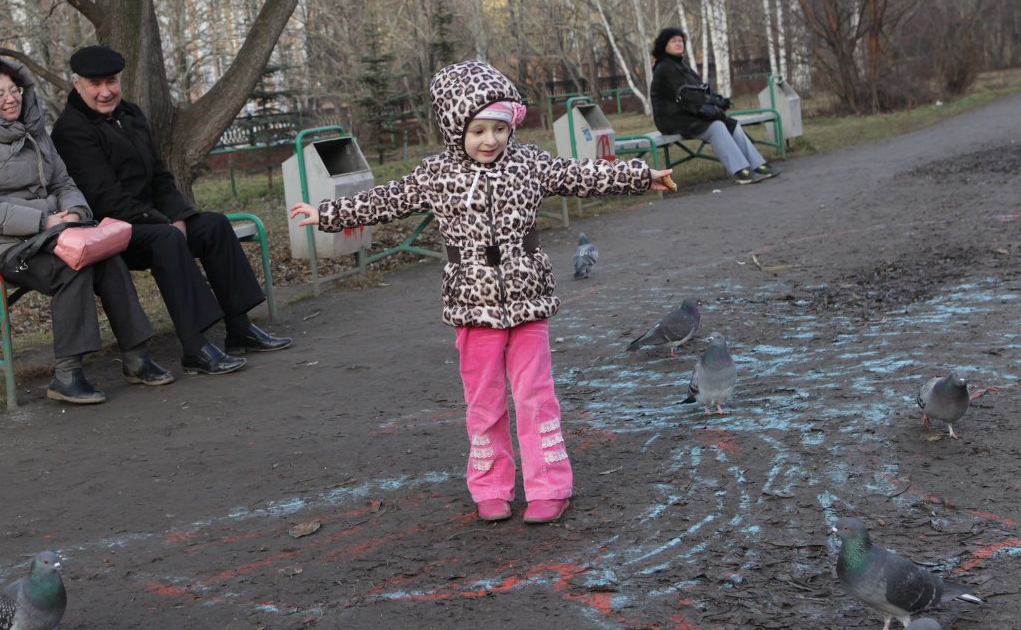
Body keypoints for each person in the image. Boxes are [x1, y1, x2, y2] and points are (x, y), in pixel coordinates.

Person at [290, 60, 673, 524]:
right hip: (473, 306)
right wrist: (327, 214)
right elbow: (386, 199)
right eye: (477, 130)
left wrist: (640, 176)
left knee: (535, 396)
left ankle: (549, 485)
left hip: (528, 298)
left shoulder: (529, 163)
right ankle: (491, 486)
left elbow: (584, 175)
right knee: (485, 401)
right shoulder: (437, 174)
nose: (489, 140)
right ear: (456, 131)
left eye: (498, 128)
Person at [51, 45, 292, 377]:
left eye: (112, 81)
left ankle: (240, 329)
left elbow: (160, 176)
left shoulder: (131, 114)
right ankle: (195, 347)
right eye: (96, 84)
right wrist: (165, 223)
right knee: (168, 240)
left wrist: (177, 215)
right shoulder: (71, 129)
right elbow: (105, 198)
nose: (106, 91)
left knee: (214, 226)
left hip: (155, 221)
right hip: (113, 229)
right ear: (77, 84)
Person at [0, 57, 173, 405]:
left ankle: (137, 356)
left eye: (15, 90)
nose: (10, 99)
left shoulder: (36, 132)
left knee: (106, 257)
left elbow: (64, 181)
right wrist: (45, 219)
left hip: (50, 235)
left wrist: (78, 211)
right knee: (70, 266)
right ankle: (67, 374)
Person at [650, 27, 780, 185]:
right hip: (672, 118)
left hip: (688, 113)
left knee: (730, 123)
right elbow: (685, 96)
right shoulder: (664, 68)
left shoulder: (681, 66)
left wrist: (718, 99)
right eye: (673, 41)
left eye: (680, 40)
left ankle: (757, 165)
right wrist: (711, 103)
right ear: (664, 45)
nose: (678, 43)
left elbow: (700, 89)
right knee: (716, 126)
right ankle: (741, 170)